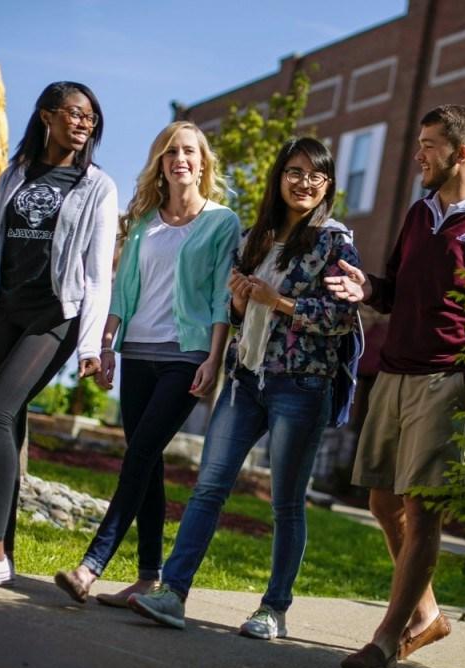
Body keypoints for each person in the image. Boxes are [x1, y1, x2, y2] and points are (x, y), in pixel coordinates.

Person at [128, 137, 360, 640]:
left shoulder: (336, 241)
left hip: (300, 384)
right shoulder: (257, 236)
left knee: (285, 502)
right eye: (294, 172)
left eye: (315, 176)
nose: (304, 183)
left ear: (327, 185)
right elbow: (235, 314)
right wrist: (238, 302)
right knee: (209, 487)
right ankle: (173, 592)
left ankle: (273, 609)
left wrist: (278, 302)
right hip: (244, 378)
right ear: (279, 178)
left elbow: (341, 318)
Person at [325, 104, 465, 668]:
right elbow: (393, 289)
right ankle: (429, 614)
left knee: (423, 511)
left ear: (461, 153)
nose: (417, 154)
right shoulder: (419, 212)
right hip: (396, 370)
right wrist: (364, 285)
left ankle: (384, 639)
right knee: (380, 500)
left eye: (428, 145)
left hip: (447, 378)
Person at [0, 82, 118, 588]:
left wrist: (90, 346)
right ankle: (2, 554)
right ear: (46, 116)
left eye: (91, 119)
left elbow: (99, 276)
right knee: (8, 423)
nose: (84, 124)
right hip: (7, 310)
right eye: (75, 114)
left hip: (55, 315)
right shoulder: (15, 174)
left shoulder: (98, 185)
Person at [53, 121, 240, 606]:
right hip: (138, 353)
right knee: (148, 461)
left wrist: (214, 359)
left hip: (187, 355)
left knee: (137, 456)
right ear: (161, 161)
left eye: (190, 152)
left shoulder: (222, 222)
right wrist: (107, 343)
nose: (180, 158)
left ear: (203, 163)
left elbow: (223, 296)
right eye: (171, 151)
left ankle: (90, 566)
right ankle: (148, 577)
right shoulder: (143, 222)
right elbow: (124, 289)